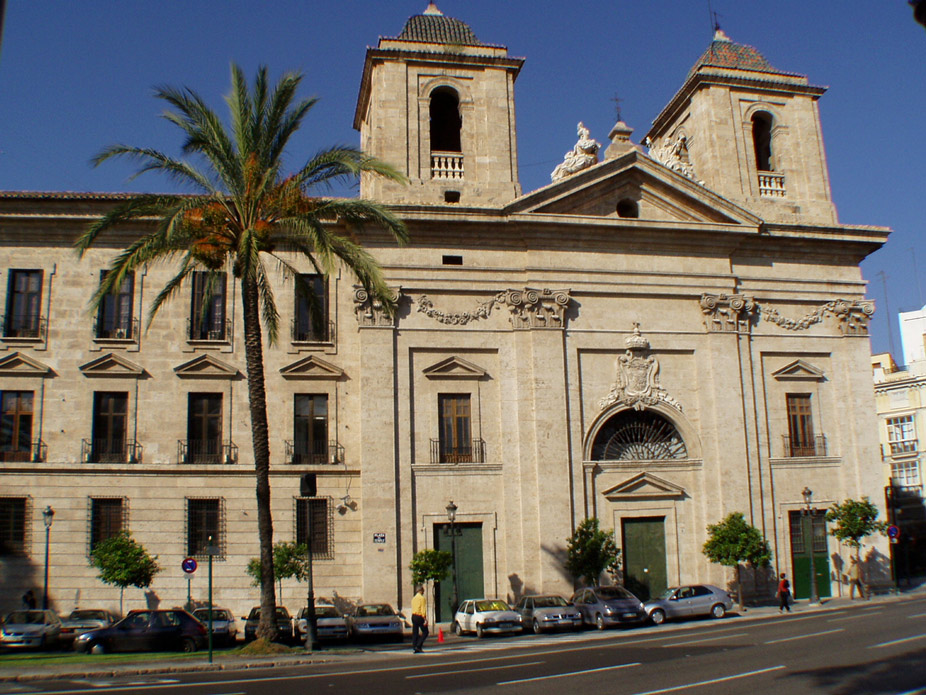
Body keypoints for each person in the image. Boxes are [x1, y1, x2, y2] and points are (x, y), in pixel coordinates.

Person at [411, 585, 429, 653]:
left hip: (413, 616)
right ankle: (418, 645)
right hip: (419, 616)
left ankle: (414, 646)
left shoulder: (414, 598)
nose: (423, 591)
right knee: (425, 632)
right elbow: (423, 609)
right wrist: (425, 618)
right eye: (423, 590)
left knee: (415, 632)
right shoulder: (422, 598)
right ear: (421, 590)